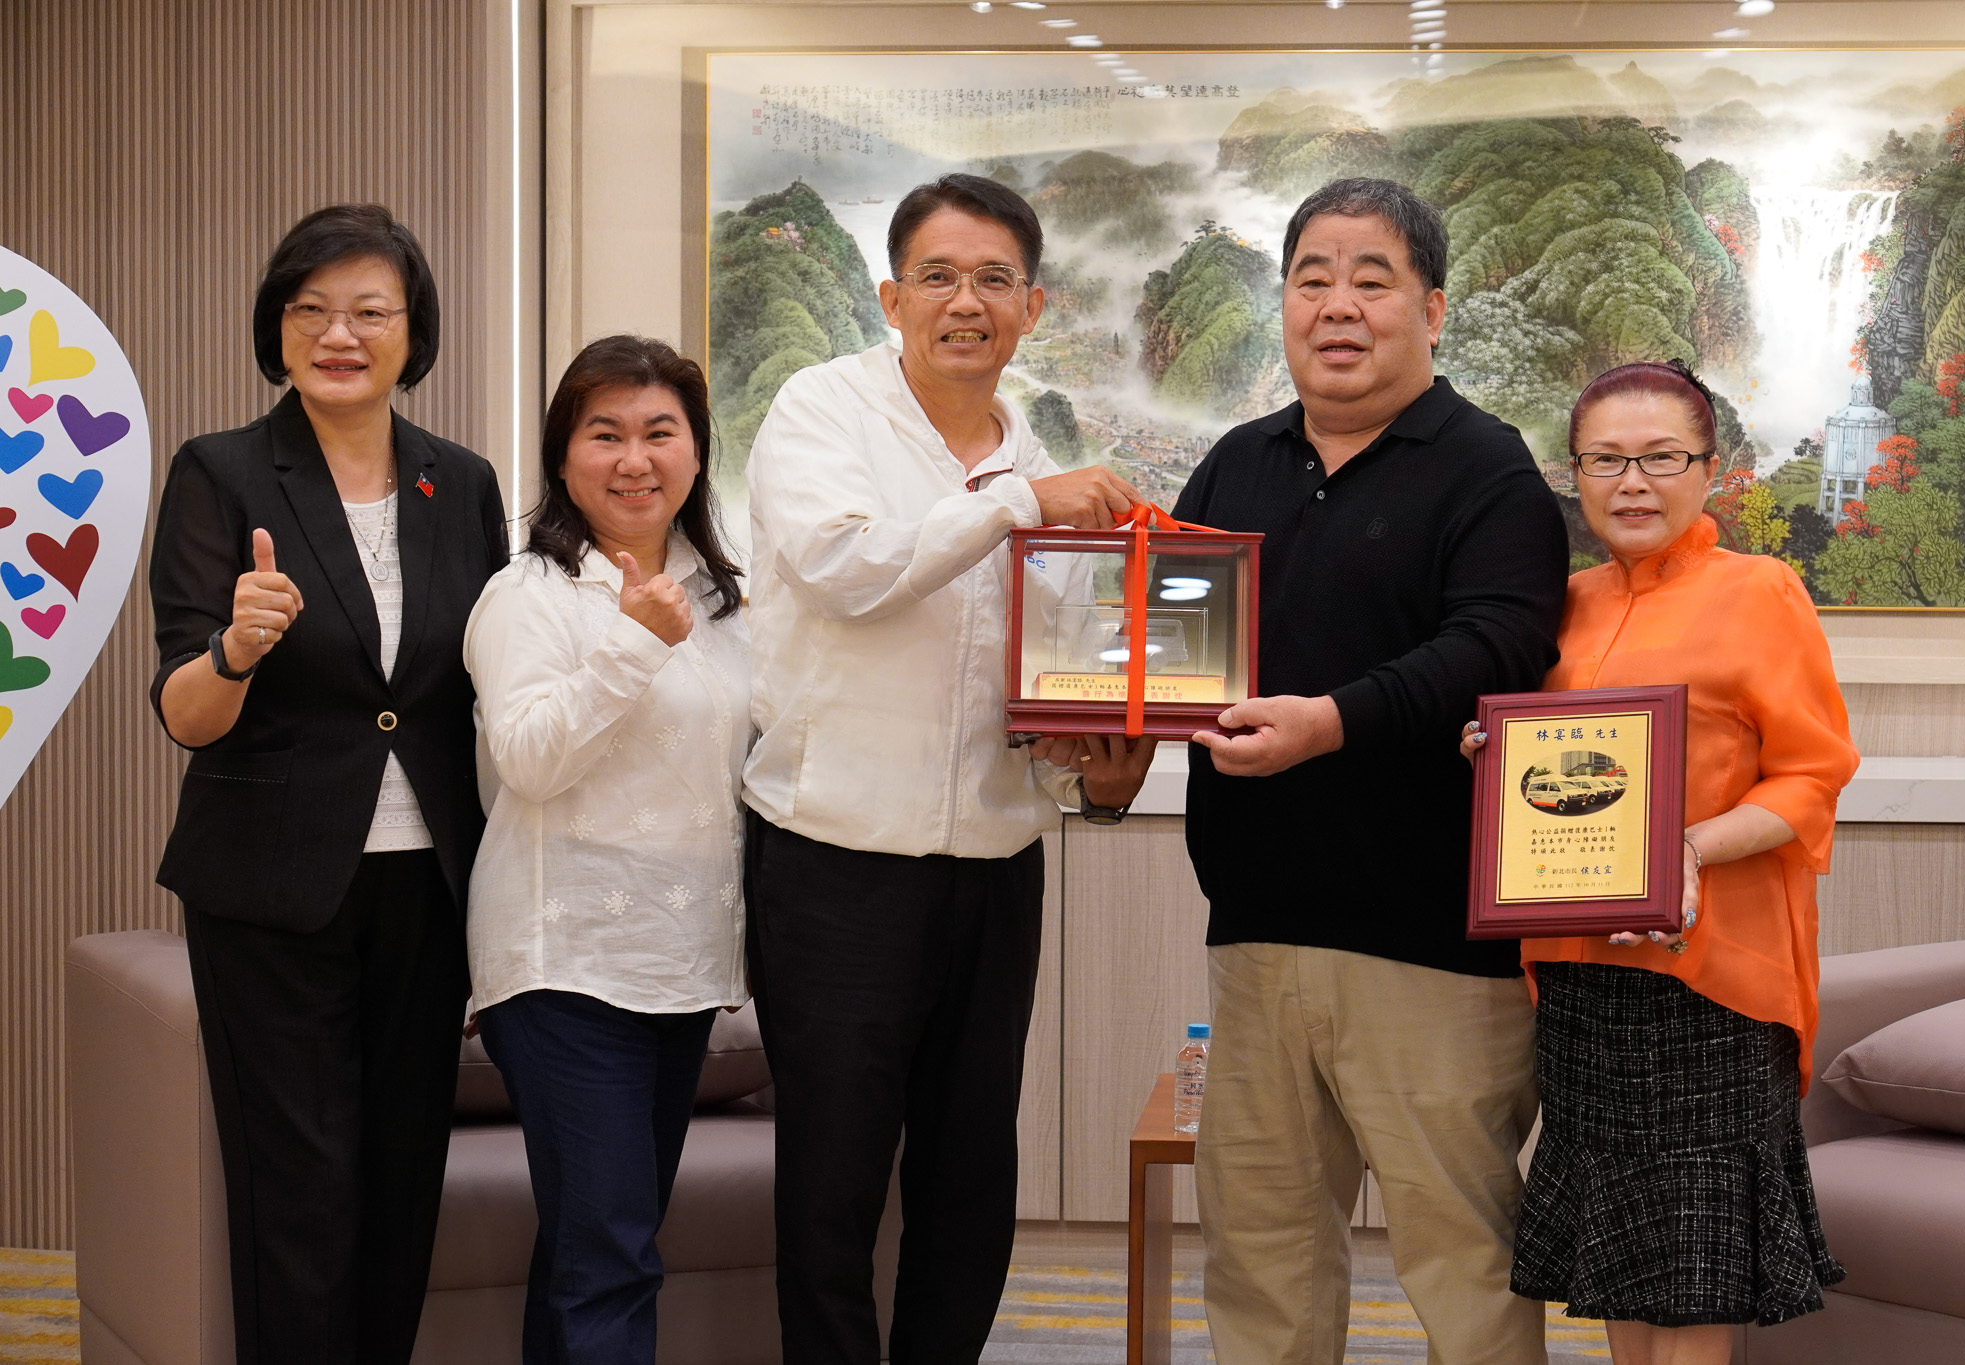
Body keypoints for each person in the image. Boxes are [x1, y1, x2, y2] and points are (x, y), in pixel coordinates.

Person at [743, 172, 1157, 1362]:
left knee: (971, 1177)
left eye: (991, 279)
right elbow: (847, 571)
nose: (963, 302)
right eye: (936, 276)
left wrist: (1102, 779)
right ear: (891, 298)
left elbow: (1052, 682)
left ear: (1033, 306)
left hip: (993, 864)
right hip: (833, 861)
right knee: (830, 1184)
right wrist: (1016, 504)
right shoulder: (820, 412)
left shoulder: (1041, 457)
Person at [1171, 178, 1569, 1365]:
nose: (1336, 305)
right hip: (1254, 937)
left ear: (1431, 309)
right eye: (1311, 279)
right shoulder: (1231, 465)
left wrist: (1327, 724)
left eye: (1370, 279)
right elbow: (1170, 653)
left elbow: (1496, 646)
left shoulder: (1487, 469)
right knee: (1262, 1268)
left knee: (1463, 1270)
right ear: (1282, 304)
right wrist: (1102, 748)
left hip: (1433, 950)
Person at [147, 204, 508, 1362]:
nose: (337, 334)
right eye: (310, 310)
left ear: (413, 333)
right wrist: (235, 648)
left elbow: (489, 683)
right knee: (296, 1196)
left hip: (428, 888)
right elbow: (183, 713)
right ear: (277, 328)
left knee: (402, 1183)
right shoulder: (220, 472)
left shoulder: (463, 482)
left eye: (367, 312)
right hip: (273, 892)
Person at [1461, 360, 1858, 1365]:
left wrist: (1685, 848)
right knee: (1624, 1266)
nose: (1631, 482)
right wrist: (1492, 754)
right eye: (1605, 460)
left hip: (1708, 980)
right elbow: (1556, 780)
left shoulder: (1760, 592)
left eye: (1660, 458)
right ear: (1575, 474)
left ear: (1708, 470)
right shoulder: (1561, 604)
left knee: (1690, 1281)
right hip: (1580, 975)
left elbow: (1811, 776)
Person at [463, 335, 748, 1363]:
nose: (635, 459)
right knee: (613, 1256)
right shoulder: (527, 594)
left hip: (681, 966)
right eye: (605, 434)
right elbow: (530, 760)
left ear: (696, 452)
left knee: (591, 1249)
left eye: (659, 432)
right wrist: (634, 643)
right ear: (562, 455)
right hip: (564, 964)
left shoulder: (721, 597)